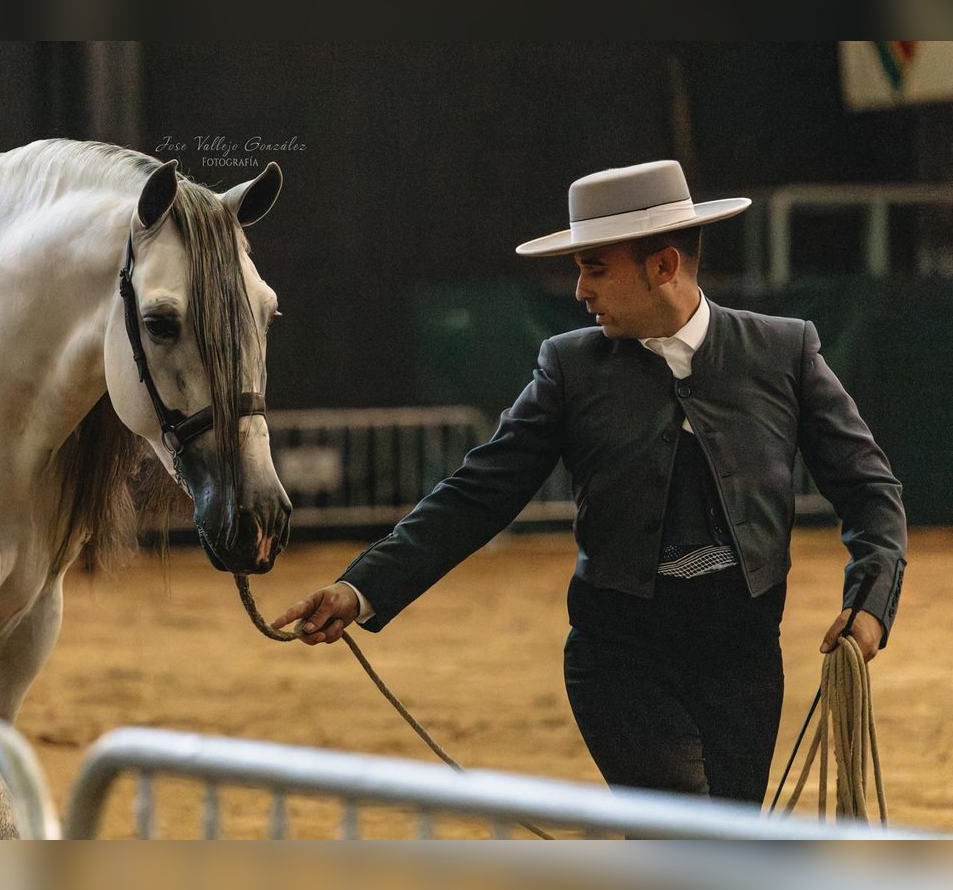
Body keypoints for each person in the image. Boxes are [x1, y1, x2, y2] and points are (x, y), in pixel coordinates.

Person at [271, 159, 907, 805]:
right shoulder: (569, 366)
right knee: (682, 830)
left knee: (726, 848)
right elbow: (478, 491)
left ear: (663, 266)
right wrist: (363, 587)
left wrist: (872, 602)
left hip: (744, 668)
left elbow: (868, 488)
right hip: (619, 665)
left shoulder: (784, 350)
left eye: (594, 267)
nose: (580, 291)